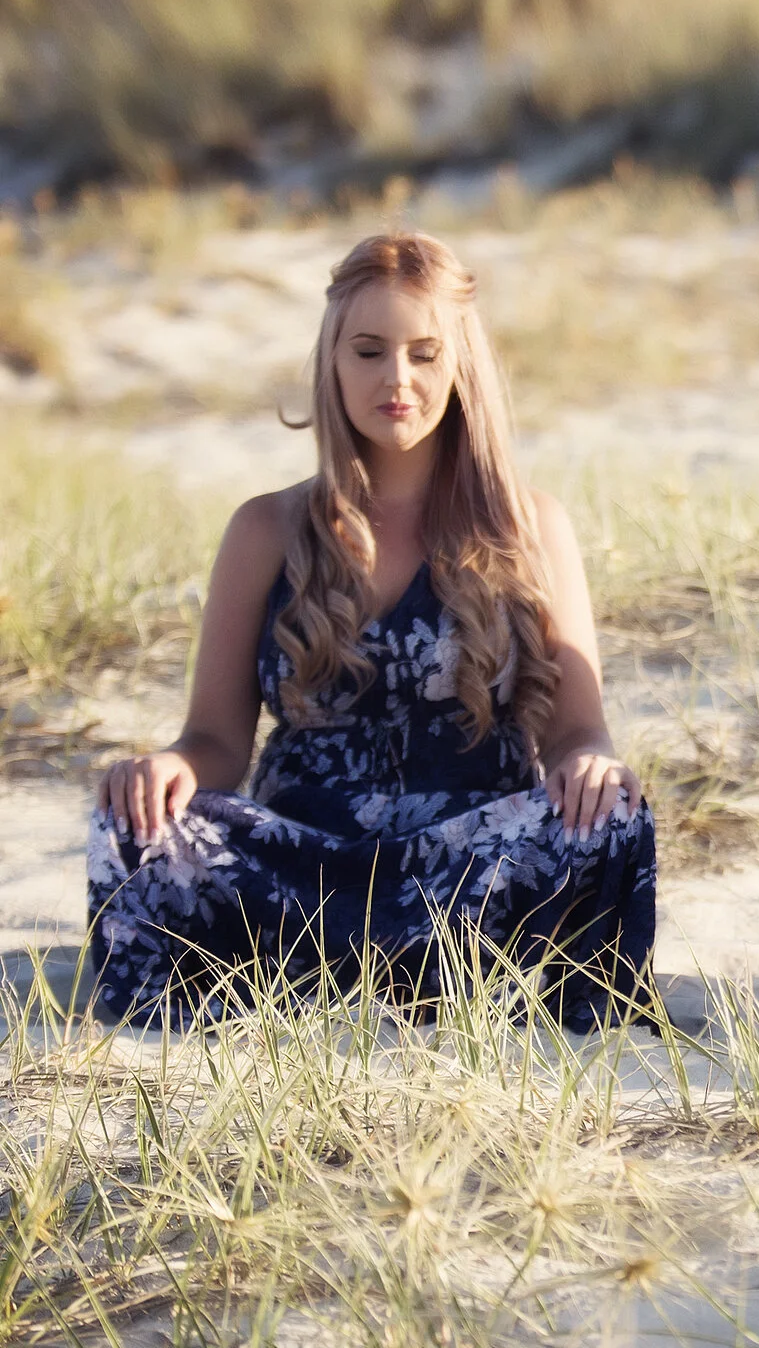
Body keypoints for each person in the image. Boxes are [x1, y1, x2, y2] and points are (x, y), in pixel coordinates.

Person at [87, 233, 662, 1032]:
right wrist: (169, 767)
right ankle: (325, 983)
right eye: (368, 351)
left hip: (468, 874)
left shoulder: (531, 527)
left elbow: (577, 732)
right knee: (130, 819)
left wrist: (592, 765)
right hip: (298, 875)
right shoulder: (266, 528)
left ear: (461, 366)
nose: (397, 379)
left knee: (618, 816)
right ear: (332, 361)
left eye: (425, 354)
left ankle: (436, 986)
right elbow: (215, 739)